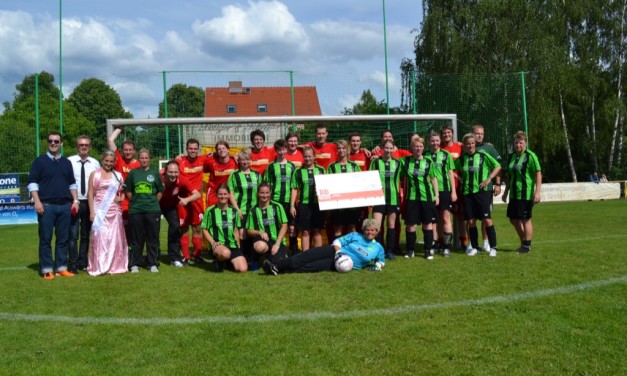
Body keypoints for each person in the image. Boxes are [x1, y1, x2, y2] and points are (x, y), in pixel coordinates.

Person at [27, 132, 79, 279]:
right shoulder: (39, 161)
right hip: (46, 206)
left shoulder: (66, 163)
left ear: (61, 143)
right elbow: (32, 183)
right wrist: (37, 201)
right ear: (47, 142)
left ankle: (61, 268)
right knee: (45, 239)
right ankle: (46, 269)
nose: (53, 143)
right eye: (50, 141)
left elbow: (72, 183)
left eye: (56, 141)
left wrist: (75, 201)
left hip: (65, 206)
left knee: (63, 239)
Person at [262, 218, 385, 275]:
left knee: (312, 267)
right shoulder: (355, 235)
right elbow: (338, 241)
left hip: (342, 264)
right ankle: (277, 266)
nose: (370, 232)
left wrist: (377, 266)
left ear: (377, 232)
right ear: (363, 230)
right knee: (307, 255)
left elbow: (381, 261)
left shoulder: (378, 247)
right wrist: (338, 253)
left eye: (373, 230)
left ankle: (282, 270)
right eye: (367, 230)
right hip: (334, 251)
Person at [455, 133, 502, 257]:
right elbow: (451, 169)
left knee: (487, 220)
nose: (470, 145)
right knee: (471, 221)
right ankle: (475, 247)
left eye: (472, 143)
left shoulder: (483, 155)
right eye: (468, 144)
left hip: (482, 192)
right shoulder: (462, 159)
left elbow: (498, 166)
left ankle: (493, 247)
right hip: (467, 193)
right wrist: (460, 178)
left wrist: (489, 179)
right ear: (464, 146)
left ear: (475, 144)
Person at [86, 150, 128, 276]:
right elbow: (90, 193)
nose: (108, 163)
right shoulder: (95, 174)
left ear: (114, 162)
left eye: (111, 161)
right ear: (102, 160)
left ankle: (115, 265)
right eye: (106, 161)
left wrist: (121, 198)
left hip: (114, 211)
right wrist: (92, 212)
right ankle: (99, 265)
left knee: (115, 238)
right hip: (100, 210)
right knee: (100, 238)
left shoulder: (118, 175)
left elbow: (124, 189)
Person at [125, 149, 165, 273]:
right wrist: (136, 201)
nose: (144, 160)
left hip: (152, 210)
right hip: (136, 210)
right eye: (141, 158)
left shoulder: (155, 173)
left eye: (146, 158)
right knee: (136, 238)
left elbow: (160, 191)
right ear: (138, 159)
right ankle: (134, 264)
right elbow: (128, 191)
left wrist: (152, 202)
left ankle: (152, 263)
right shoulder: (133, 173)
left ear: (150, 159)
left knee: (152, 237)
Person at [502, 132, 542, 254]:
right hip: (514, 194)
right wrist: (506, 192)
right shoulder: (512, 156)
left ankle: (526, 246)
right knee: (513, 219)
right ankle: (523, 242)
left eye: (520, 142)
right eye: (516, 143)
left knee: (525, 219)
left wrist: (537, 192)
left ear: (525, 143)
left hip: (526, 193)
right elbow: (509, 176)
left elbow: (538, 174)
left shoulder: (531, 156)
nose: (518, 145)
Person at [400, 137, 439, 260]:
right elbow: (391, 158)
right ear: (412, 147)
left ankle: (427, 250)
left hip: (426, 197)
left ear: (423, 147)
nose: (418, 148)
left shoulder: (428, 162)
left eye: (420, 146)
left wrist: (436, 195)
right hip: (412, 198)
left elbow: (433, 178)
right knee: (410, 225)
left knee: (428, 224)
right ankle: (410, 250)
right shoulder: (405, 161)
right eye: (416, 146)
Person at [67, 135, 100, 273]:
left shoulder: (95, 163)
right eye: (81, 145)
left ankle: (83, 261)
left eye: (86, 145)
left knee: (86, 235)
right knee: (73, 235)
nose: (84, 147)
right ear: (77, 147)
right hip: (73, 201)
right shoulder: (69, 161)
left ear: (90, 147)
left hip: (89, 202)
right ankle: (73, 263)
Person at [160, 160, 201, 267]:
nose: (173, 175)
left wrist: (187, 200)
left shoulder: (182, 179)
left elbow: (197, 194)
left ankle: (174, 258)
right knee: (152, 229)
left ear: (179, 172)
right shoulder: (158, 177)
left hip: (170, 207)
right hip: (156, 205)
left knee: (175, 227)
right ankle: (152, 257)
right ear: (165, 171)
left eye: (175, 172)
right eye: (170, 172)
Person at [176, 139, 208, 264]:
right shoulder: (180, 161)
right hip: (182, 199)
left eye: (195, 148)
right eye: (190, 148)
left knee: (197, 228)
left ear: (198, 149)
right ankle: (185, 257)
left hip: (196, 199)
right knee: (183, 227)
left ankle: (197, 256)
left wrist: (233, 155)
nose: (193, 151)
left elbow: (220, 154)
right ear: (186, 148)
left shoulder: (203, 160)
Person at [201, 184, 247, 273]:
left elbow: (236, 231)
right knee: (225, 253)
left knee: (243, 269)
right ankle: (218, 261)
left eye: (225, 194)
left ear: (229, 195)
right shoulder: (210, 211)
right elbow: (204, 229)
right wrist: (212, 242)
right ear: (216, 195)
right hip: (218, 245)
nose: (223, 196)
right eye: (220, 194)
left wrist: (238, 247)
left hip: (232, 245)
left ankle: (226, 263)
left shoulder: (234, 211)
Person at [264, 139, 298, 254]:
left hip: (289, 202)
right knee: (276, 227)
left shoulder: (292, 166)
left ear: (287, 149)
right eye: (279, 150)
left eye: (283, 149)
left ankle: (293, 252)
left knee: (292, 229)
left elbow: (294, 187)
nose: (282, 152)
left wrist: (292, 205)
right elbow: (267, 186)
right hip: (275, 202)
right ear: (276, 150)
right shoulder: (271, 167)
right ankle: (275, 252)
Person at [369, 139, 402, 260]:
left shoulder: (398, 163)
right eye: (386, 148)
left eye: (390, 148)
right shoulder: (376, 162)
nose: (388, 150)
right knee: (377, 226)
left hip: (393, 198)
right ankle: (379, 250)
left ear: (393, 149)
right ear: (382, 149)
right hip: (378, 198)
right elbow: (370, 178)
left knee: (391, 225)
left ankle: (390, 251)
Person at [427, 131, 457, 257]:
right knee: (433, 220)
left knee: (445, 218)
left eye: (437, 140)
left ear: (440, 141)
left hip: (444, 190)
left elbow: (450, 173)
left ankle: (447, 246)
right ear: (429, 142)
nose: (435, 143)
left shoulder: (446, 155)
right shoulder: (425, 155)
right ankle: (435, 244)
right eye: (432, 140)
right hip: (430, 191)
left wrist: (453, 191)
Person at [473, 124, 502, 253]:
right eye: (477, 133)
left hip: (486, 189)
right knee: (471, 217)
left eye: (481, 134)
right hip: (470, 189)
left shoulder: (488, 149)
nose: (479, 135)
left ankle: (485, 242)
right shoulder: (467, 147)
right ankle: (472, 243)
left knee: (486, 217)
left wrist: (497, 184)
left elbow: (498, 166)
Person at [107, 126, 140, 239]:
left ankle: (133, 252)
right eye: (125, 150)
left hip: (135, 199)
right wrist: (119, 127)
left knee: (136, 227)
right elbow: (111, 140)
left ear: (134, 151)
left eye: (130, 150)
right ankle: (122, 251)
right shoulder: (119, 160)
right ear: (122, 151)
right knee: (122, 227)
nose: (128, 152)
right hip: (121, 199)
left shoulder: (139, 165)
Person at [290, 146, 325, 251]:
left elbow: (327, 186)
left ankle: (317, 256)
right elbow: (295, 189)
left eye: (309, 156)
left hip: (318, 204)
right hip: (304, 205)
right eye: (305, 156)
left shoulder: (321, 170)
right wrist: (292, 205)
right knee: (305, 231)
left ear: (314, 157)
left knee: (317, 231)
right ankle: (305, 257)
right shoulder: (298, 171)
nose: (307, 159)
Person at [246, 182, 290, 265]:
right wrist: (259, 232)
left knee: (279, 263)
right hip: (262, 240)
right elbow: (249, 231)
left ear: (270, 193)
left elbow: (284, 226)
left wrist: (277, 244)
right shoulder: (253, 210)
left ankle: (270, 258)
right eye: (262, 193)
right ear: (258, 194)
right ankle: (255, 258)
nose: (265, 195)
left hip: (276, 240)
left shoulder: (277, 206)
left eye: (267, 193)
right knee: (260, 247)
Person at [440, 124, 467, 250]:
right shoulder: (438, 148)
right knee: (443, 217)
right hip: (443, 187)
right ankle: (443, 242)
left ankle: (463, 242)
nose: (447, 135)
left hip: (458, 187)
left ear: (452, 133)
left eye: (448, 133)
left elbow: (473, 148)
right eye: (444, 133)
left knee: (460, 216)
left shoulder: (460, 147)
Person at [327, 140, 361, 238]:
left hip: (352, 203)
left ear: (347, 150)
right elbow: (328, 183)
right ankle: (338, 252)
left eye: (343, 148)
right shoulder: (332, 167)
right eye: (339, 148)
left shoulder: (354, 166)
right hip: (337, 203)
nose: (341, 150)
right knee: (338, 229)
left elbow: (360, 182)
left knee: (352, 228)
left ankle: (351, 252)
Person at [204, 140, 238, 208]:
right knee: (212, 212)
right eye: (219, 149)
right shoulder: (211, 161)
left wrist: (233, 155)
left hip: (229, 192)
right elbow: (197, 163)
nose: (221, 150)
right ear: (216, 152)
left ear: (228, 150)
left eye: (223, 148)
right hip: (214, 192)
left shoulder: (235, 161)